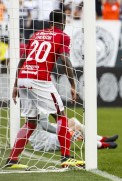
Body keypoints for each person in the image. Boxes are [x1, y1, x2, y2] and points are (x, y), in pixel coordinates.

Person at [5, 10, 84, 169]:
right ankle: (66, 157)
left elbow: (23, 59)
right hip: (39, 79)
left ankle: (12, 159)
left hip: (23, 77)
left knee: (31, 122)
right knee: (61, 116)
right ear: (63, 22)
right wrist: (73, 85)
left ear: (50, 22)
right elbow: (65, 60)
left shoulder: (36, 34)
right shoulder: (62, 36)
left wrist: (15, 85)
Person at [29, 114, 118, 151]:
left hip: (44, 136)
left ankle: (102, 139)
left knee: (73, 121)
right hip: (45, 142)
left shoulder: (38, 101)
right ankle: (101, 144)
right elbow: (45, 126)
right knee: (77, 128)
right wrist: (65, 130)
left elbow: (57, 116)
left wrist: (65, 123)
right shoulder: (38, 106)